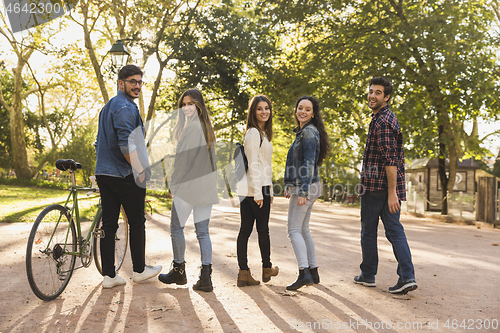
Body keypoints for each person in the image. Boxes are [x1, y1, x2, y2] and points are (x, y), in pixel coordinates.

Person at [94, 64, 161, 289]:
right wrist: (140, 169)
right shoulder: (124, 107)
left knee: (110, 223)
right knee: (136, 222)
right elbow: (125, 145)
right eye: (133, 81)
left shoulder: (108, 107)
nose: (138, 86)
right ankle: (140, 270)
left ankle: (109, 276)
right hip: (123, 174)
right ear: (121, 83)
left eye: (140, 82)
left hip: (104, 172)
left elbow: (99, 142)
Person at [355, 77, 417, 294]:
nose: (372, 95)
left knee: (369, 231)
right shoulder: (385, 118)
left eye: (378, 92)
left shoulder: (382, 122)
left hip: (377, 188)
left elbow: (390, 160)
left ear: (387, 97)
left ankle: (369, 274)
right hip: (383, 187)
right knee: (394, 231)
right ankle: (407, 277)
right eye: (371, 91)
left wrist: (392, 193)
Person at [158, 88, 218, 292]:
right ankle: (206, 277)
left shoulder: (192, 128)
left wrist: (173, 184)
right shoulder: (207, 128)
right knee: (202, 232)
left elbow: (183, 160)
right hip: (206, 188)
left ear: (198, 104)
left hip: (189, 186)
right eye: (183, 104)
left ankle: (179, 271)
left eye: (190, 104)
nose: (186, 108)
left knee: (177, 227)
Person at [284, 96, 329, 291]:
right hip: (310, 185)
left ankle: (304, 273)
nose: (302, 111)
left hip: (307, 187)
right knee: (303, 230)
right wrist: (289, 185)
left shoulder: (309, 133)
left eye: (307, 109)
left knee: (293, 230)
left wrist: (302, 190)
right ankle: (313, 271)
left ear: (313, 113)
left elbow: (309, 163)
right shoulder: (304, 132)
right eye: (300, 108)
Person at [236, 95, 279, 287]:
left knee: (246, 230)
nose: (264, 112)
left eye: (267, 108)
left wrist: (269, 187)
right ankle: (266, 268)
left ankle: (244, 273)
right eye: (260, 109)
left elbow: (263, 164)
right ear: (253, 112)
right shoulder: (253, 133)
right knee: (261, 230)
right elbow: (253, 163)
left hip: (253, 187)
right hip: (254, 189)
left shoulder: (262, 134)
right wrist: (260, 193)